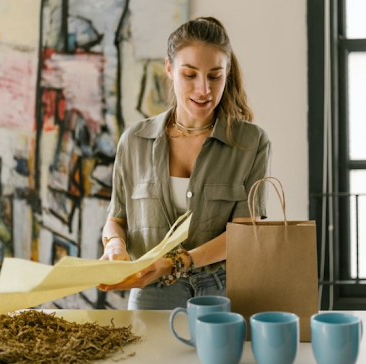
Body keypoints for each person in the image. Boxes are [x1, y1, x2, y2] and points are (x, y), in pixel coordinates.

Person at [97, 16, 270, 310]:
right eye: (190, 75)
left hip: (225, 290)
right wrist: (115, 245)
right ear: (169, 69)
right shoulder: (134, 141)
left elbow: (243, 236)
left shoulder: (251, 143)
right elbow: (117, 220)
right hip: (151, 290)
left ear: (227, 73)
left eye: (215, 76)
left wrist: (175, 263)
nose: (203, 90)